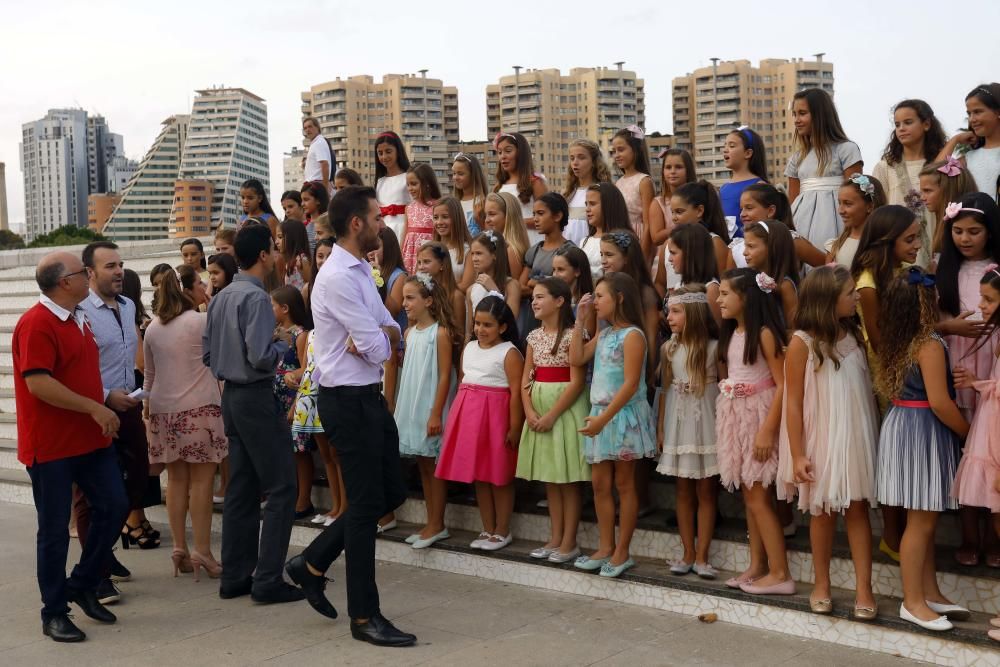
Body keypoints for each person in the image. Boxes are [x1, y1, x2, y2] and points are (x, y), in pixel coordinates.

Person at [284, 185, 415, 647]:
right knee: (364, 509)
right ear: (357, 223)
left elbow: (391, 330)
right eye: (377, 217)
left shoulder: (362, 269)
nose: (383, 223)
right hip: (345, 399)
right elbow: (380, 342)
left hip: (367, 397)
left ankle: (311, 563)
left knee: (388, 493)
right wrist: (383, 340)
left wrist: (383, 340)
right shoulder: (338, 276)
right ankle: (365, 617)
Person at [14, 251, 126, 642]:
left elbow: (78, 372)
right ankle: (54, 612)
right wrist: (94, 407)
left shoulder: (79, 317)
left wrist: (107, 397)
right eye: (83, 272)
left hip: (89, 438)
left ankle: (82, 582)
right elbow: (38, 383)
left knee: (114, 506)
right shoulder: (36, 323)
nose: (90, 276)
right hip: (52, 446)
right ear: (65, 282)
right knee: (54, 532)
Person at [202, 224, 302, 604]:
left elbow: (209, 356)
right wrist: (282, 343)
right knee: (282, 486)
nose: (277, 255)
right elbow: (260, 355)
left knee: (241, 488)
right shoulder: (257, 298)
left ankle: (236, 576)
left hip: (231, 395)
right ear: (263, 255)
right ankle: (267, 579)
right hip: (256, 396)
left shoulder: (222, 296)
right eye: (274, 249)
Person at [777, 265, 879, 619]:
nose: (856, 298)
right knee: (821, 512)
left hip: (853, 437)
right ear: (827, 299)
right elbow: (792, 402)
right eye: (850, 293)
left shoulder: (854, 336)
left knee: (856, 510)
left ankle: (864, 588)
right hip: (820, 436)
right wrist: (797, 453)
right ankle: (822, 583)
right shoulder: (801, 342)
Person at [874, 268, 969, 631]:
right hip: (923, 429)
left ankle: (930, 593)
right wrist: (968, 434)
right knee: (921, 521)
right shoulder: (927, 343)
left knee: (923, 517)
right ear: (927, 302)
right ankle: (912, 602)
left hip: (903, 423)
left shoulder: (900, 338)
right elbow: (942, 404)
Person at [78, 242, 154, 610]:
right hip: (93, 409)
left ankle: (104, 547)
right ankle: (97, 573)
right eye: (110, 266)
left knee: (139, 477)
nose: (119, 271)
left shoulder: (126, 308)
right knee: (91, 494)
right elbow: (77, 370)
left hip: (129, 407)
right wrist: (106, 397)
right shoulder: (80, 313)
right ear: (89, 273)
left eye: (121, 264)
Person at [570, 273, 657, 577]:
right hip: (600, 415)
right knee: (599, 484)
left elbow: (631, 384)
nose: (594, 302)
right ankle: (606, 545)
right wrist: (580, 321)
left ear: (619, 297)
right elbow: (577, 358)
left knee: (624, 484)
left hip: (620, 417)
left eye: (600, 296)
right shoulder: (605, 334)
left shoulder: (633, 335)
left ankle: (623, 550)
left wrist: (603, 420)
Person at [143, 269, 226, 581]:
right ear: (189, 290)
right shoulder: (199, 322)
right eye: (200, 283)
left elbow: (149, 375)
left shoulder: (152, 328)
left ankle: (179, 547)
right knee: (202, 483)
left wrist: (148, 406)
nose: (205, 287)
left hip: (164, 411)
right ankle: (202, 550)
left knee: (176, 481)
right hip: (199, 408)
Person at [715, 268, 792, 595]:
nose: (718, 300)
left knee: (759, 496)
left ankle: (781, 573)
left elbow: (783, 383)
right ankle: (759, 565)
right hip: (736, 418)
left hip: (760, 417)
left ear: (745, 297)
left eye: (724, 294)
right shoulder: (732, 333)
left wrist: (766, 431)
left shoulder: (764, 334)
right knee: (750, 496)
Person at [935, 194, 1000, 566]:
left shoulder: (997, 269)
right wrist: (950, 326)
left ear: (990, 233)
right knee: (964, 453)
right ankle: (969, 534)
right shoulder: (943, 269)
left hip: (992, 371)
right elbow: (931, 324)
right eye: (957, 230)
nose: (965, 238)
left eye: (974, 231)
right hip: (957, 366)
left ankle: (994, 536)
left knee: (991, 453)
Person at [436, 295, 524, 552]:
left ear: (503, 327)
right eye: (477, 324)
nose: (480, 330)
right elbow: (464, 380)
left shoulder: (509, 352)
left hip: (496, 418)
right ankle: (487, 527)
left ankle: (502, 530)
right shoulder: (469, 348)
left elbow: (517, 392)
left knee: (499, 475)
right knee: (481, 475)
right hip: (470, 417)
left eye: (488, 325)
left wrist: (515, 426)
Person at [518, 278, 590, 562]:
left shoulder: (575, 334)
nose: (534, 302)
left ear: (560, 301)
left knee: (569, 478)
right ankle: (555, 536)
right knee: (551, 477)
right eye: (533, 298)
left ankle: (569, 541)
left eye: (540, 297)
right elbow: (526, 378)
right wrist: (529, 411)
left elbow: (576, 382)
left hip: (565, 413)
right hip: (539, 413)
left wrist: (550, 415)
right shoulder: (533, 337)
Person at [656, 284, 721, 579]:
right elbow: (665, 391)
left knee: (706, 491)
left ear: (693, 313)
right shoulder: (668, 349)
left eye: (676, 311)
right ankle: (687, 553)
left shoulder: (713, 348)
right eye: (668, 311)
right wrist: (661, 430)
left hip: (706, 426)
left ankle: (703, 556)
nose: (669, 316)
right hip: (678, 426)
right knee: (683, 491)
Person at [395, 273, 458, 548]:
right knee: (422, 464)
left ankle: (437, 523)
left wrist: (435, 413)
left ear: (429, 301)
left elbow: (445, 375)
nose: (405, 304)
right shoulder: (409, 333)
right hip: (412, 403)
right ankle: (430, 521)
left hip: (431, 405)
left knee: (434, 466)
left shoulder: (440, 333)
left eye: (411, 298)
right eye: (404, 298)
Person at [293, 239, 346, 527]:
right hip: (313, 395)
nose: (323, 260)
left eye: (328, 255)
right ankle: (336, 506)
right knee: (326, 454)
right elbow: (306, 368)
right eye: (319, 256)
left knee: (338, 453)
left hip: (334, 391)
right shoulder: (310, 334)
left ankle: (344, 506)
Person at [785, 88, 864, 248]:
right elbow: (792, 200)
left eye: (802, 113)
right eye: (794, 114)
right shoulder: (796, 159)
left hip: (837, 220)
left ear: (820, 115)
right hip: (800, 221)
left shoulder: (846, 149)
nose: (796, 120)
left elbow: (856, 195)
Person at [872, 100, 947, 267]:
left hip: (935, 247)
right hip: (896, 251)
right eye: (897, 124)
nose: (901, 129)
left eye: (908, 122)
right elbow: (878, 211)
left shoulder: (940, 165)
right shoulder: (885, 167)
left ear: (926, 124)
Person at [270, 286, 312, 519]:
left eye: (272, 305)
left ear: (285, 309)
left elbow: (306, 368)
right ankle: (286, 495)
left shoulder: (301, 334)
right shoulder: (275, 332)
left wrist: (295, 403)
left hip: (293, 399)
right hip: (275, 399)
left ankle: (304, 499)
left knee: (299, 451)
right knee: (281, 450)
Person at [939, 84, 1000, 201]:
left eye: (977, 112)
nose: (972, 119)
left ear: (997, 112)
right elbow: (937, 176)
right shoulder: (969, 159)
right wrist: (954, 140)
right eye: (969, 113)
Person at [742, 220, 800, 329]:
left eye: (751, 246)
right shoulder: (748, 278)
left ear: (772, 247)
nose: (744, 252)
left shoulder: (785, 286)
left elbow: (793, 330)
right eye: (745, 246)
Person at [493, 131, 547, 243]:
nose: (503, 156)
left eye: (508, 151)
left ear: (520, 153)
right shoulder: (499, 187)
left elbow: (546, 217)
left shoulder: (535, 182)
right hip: (506, 243)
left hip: (530, 241)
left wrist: (516, 222)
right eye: (499, 152)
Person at [826, 174, 887, 268]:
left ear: (870, 206)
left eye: (848, 204)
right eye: (840, 203)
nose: (840, 211)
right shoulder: (835, 247)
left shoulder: (883, 246)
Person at [671, 181, 731, 277]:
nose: (673, 218)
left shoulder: (714, 244)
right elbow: (660, 282)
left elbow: (724, 284)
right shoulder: (669, 243)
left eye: (679, 211)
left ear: (699, 211)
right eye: (672, 212)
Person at [612, 125, 655, 258]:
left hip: (638, 241)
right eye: (614, 151)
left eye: (621, 150)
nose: (616, 155)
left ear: (635, 150)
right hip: (620, 241)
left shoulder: (644, 182)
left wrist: (643, 256)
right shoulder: (618, 183)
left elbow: (648, 224)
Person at [721, 127, 768, 240]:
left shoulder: (760, 186)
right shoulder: (723, 188)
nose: (725, 150)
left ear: (748, 153)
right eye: (725, 145)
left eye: (732, 146)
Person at [467, 230, 521, 327]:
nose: (474, 258)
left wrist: (494, 291)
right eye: (472, 254)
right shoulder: (471, 290)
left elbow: (510, 322)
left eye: (479, 253)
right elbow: (469, 329)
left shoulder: (511, 285)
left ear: (494, 255)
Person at [563, 140, 611, 246]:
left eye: (581, 157)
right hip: (569, 250)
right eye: (572, 158)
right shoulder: (569, 193)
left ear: (594, 162)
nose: (575, 162)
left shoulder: (602, 191)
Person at [582, 182, 632, 282]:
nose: (587, 209)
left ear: (609, 205)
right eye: (586, 204)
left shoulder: (621, 239)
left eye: (592, 204)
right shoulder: (584, 241)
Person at [402, 163, 441, 274]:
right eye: (408, 185)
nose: (410, 188)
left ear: (427, 183)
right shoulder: (408, 208)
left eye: (414, 184)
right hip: (410, 256)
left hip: (429, 255)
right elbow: (405, 235)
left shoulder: (437, 205)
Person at [374, 131, 412, 239]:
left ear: (398, 151)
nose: (384, 156)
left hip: (403, 229)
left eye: (388, 151)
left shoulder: (407, 177)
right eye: (380, 153)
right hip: (383, 230)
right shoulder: (380, 182)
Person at [484, 191, 529, 277]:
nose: (487, 220)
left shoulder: (511, 251)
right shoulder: (493, 244)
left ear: (508, 216)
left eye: (492, 214)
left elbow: (516, 287)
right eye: (486, 215)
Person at [452, 152, 489, 238]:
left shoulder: (484, 202)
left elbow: (491, 234)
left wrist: (479, 221)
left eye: (460, 174)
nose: (455, 177)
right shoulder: (454, 203)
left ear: (473, 175)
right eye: (454, 173)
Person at [277, 219, 312, 290]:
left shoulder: (302, 260)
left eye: (280, 237)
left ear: (293, 238)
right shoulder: (287, 260)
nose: (276, 242)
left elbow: (310, 286)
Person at [303, 116, 335, 194]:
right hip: (314, 184)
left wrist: (324, 188)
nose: (307, 130)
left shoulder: (319, 143)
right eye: (305, 128)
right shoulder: (316, 142)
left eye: (310, 126)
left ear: (317, 127)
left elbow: (324, 164)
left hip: (317, 184)